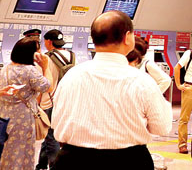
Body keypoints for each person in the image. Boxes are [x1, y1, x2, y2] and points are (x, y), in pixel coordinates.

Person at [52, 11, 171, 169]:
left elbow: (56, 121)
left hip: (73, 160)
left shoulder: (72, 75)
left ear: (94, 39)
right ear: (127, 37)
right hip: (129, 161)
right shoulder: (142, 81)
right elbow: (161, 127)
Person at [0, 37, 51, 170]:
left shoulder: (6, 68)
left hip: (5, 117)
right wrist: (45, 66)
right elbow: (47, 87)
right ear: (31, 54)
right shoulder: (30, 70)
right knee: (22, 152)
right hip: (23, 119)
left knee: (7, 151)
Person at [38, 30, 73, 170]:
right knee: (49, 135)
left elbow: (42, 83)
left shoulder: (45, 58)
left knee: (51, 136)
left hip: (49, 101)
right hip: (65, 100)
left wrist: (38, 103)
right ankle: (40, 164)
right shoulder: (72, 55)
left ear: (48, 42)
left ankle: (54, 166)